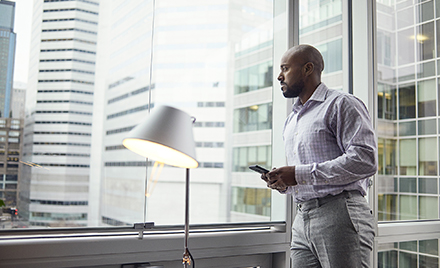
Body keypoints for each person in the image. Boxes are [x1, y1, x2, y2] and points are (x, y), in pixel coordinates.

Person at [262, 44, 377, 268]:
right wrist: (284, 181)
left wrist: (298, 173)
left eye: (285, 68)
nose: (279, 76)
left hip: (340, 214)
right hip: (302, 217)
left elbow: (364, 159)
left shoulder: (341, 103)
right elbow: (303, 176)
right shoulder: (292, 120)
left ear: (307, 68)